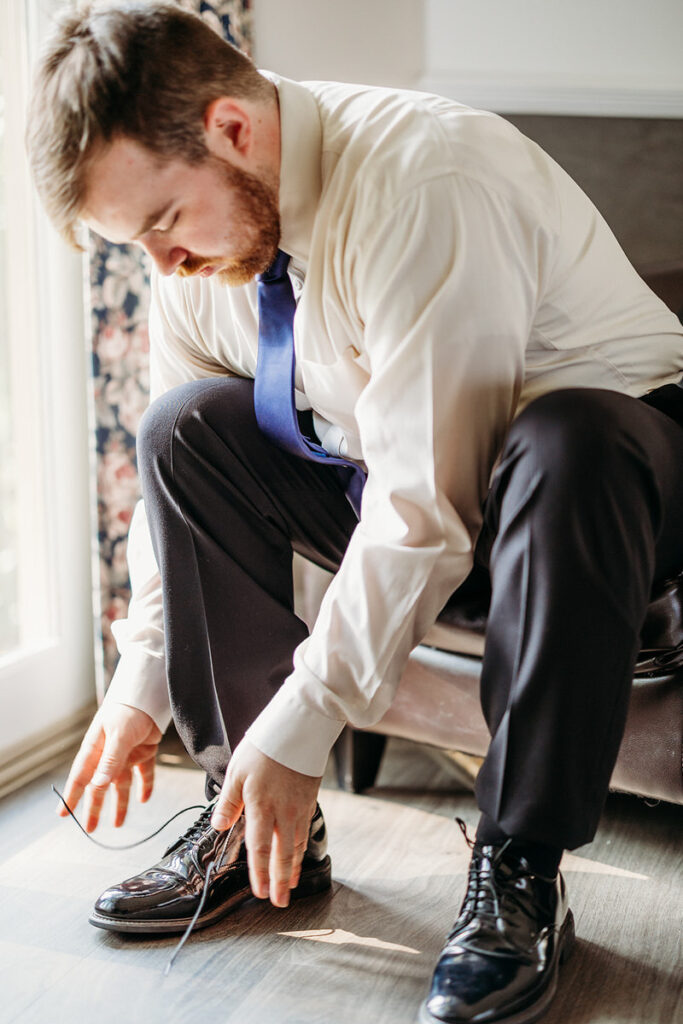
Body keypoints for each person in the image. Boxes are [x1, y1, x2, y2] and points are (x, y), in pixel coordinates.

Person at [27, 3, 683, 1022]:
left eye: (160, 221)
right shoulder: (199, 256)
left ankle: (519, 865)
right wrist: (137, 687)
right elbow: (195, 484)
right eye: (132, 243)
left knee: (564, 440)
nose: (163, 266)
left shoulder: (425, 180)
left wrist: (307, 721)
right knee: (184, 425)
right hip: (408, 481)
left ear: (231, 129)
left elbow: (430, 500)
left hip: (612, 489)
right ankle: (248, 825)